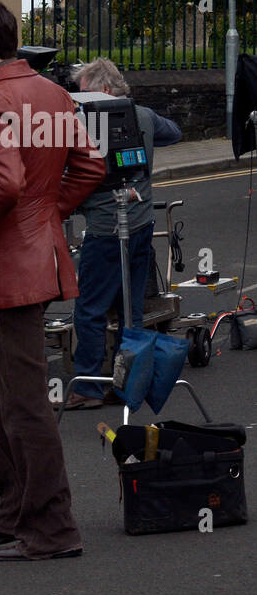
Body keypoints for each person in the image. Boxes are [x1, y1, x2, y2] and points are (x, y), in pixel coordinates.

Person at [0, 0, 104, 561]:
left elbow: (2, 184)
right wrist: (48, 214)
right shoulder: (54, 93)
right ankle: (14, 512)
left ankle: (52, 527)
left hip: (10, 265)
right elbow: (90, 165)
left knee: (23, 400)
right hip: (34, 256)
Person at [64, 58, 182, 409]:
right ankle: (125, 383)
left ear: (102, 90)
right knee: (130, 310)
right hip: (141, 225)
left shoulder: (87, 122)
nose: (78, 100)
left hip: (104, 230)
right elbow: (173, 133)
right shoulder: (142, 115)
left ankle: (86, 388)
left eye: (83, 93)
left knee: (90, 309)